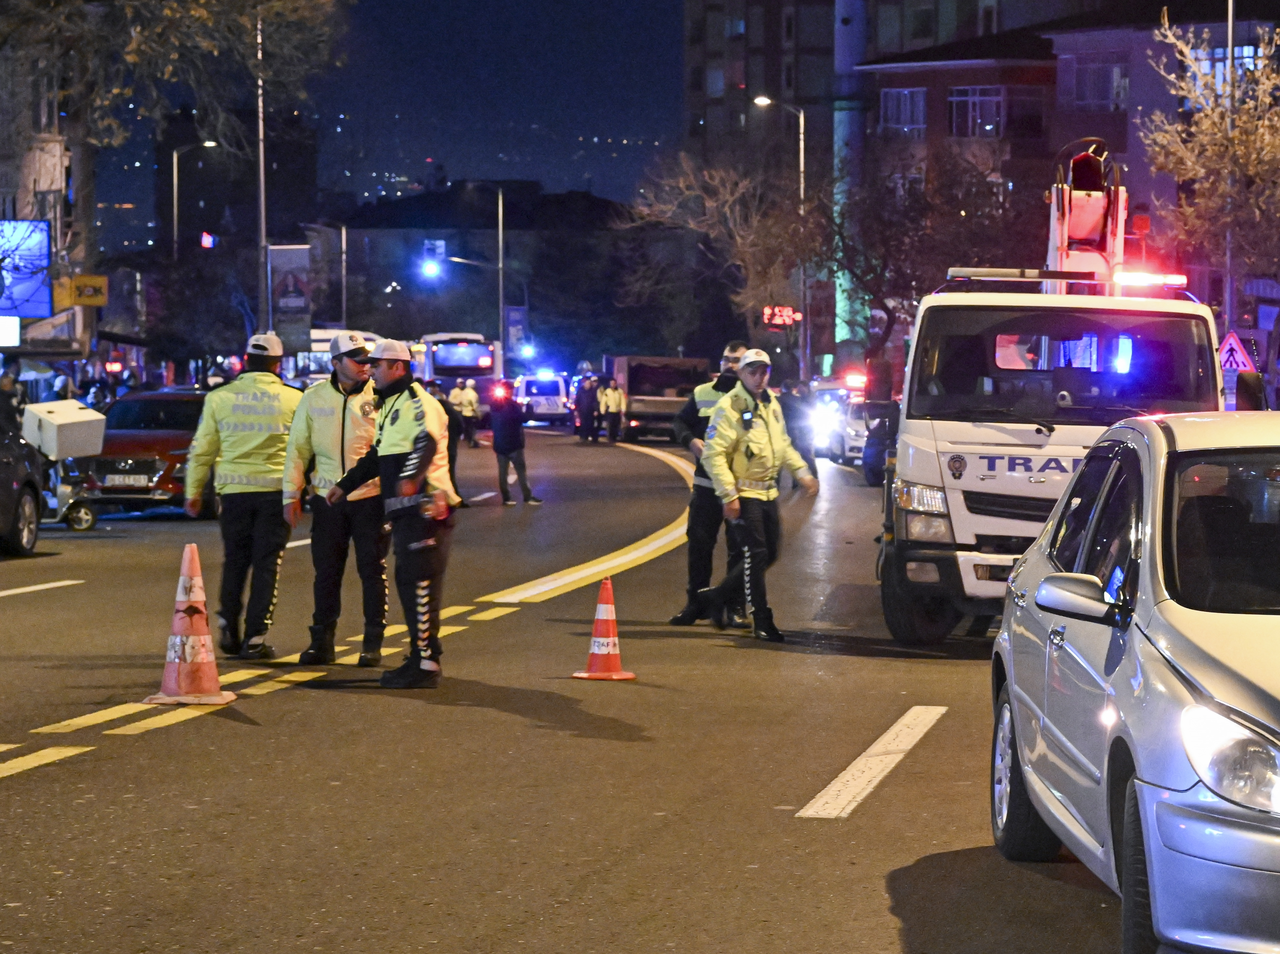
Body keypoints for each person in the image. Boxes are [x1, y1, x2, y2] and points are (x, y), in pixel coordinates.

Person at [327, 339, 461, 689]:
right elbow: (377, 456)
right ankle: (422, 654)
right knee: (410, 583)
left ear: (398, 367)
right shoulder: (390, 405)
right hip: (406, 511)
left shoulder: (419, 402)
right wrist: (346, 483)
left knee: (420, 584)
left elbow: (426, 442)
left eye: (378, 365)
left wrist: (410, 479)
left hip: (426, 508)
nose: (370, 370)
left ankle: (426, 663)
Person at [184, 333, 303, 659]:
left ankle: (227, 622)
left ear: (245, 360)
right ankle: (255, 637)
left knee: (235, 560)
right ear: (278, 364)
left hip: (233, 495)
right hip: (275, 495)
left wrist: (193, 491)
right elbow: (304, 451)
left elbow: (202, 449)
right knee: (267, 563)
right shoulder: (294, 400)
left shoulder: (219, 398)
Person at [282, 332, 388, 667]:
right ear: (336, 363)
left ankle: (372, 643)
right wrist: (291, 494)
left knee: (372, 570)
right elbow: (298, 449)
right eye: (357, 360)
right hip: (328, 500)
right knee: (326, 572)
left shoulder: (381, 397)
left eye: (368, 360)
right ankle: (322, 642)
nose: (365, 367)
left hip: (371, 496)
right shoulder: (313, 398)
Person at [698, 349, 819, 642]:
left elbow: (784, 444)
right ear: (740, 373)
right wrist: (729, 495)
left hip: (768, 491)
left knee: (771, 552)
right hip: (744, 491)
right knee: (757, 554)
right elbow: (713, 455)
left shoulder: (770, 404)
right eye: (752, 371)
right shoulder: (730, 407)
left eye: (763, 371)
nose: (759, 377)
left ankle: (717, 595)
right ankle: (762, 619)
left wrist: (802, 472)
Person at [669, 340, 749, 627]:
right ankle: (696, 604)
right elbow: (680, 422)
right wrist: (691, 441)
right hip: (706, 485)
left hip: (741, 488)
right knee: (699, 546)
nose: (730, 365)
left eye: (737, 360)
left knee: (740, 549)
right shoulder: (703, 393)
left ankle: (736, 606)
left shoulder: (754, 396)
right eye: (727, 359)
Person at [490, 380, 542, 506]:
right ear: (510, 391)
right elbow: (525, 418)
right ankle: (527, 496)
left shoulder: (493, 406)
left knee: (503, 472)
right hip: (514, 443)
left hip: (499, 443)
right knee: (521, 471)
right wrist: (529, 406)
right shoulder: (513, 406)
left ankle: (506, 498)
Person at [426, 379, 467, 507]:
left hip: (437, 447)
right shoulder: (448, 408)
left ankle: (443, 499)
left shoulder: (429, 409)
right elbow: (460, 425)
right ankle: (452, 499)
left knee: (435, 474)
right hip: (450, 446)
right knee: (449, 473)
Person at [777, 381, 818, 483]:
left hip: (783, 432)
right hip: (797, 432)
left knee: (779, 459)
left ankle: (776, 484)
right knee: (798, 456)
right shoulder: (798, 400)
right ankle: (799, 481)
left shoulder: (778, 400)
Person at [599, 378, 624, 443]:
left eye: (614, 383)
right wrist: (603, 409)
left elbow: (623, 401)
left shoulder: (619, 391)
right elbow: (603, 401)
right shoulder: (607, 391)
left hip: (617, 411)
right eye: (611, 383)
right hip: (610, 411)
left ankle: (615, 437)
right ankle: (610, 438)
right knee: (610, 425)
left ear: (616, 384)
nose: (612, 384)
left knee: (616, 425)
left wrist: (623, 409)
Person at [457, 378, 481, 447]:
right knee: (472, 429)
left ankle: (469, 441)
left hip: (464, 413)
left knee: (467, 429)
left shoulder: (463, 392)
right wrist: (479, 415)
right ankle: (473, 442)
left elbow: (460, 401)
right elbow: (475, 406)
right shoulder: (473, 394)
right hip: (471, 414)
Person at [575, 376, 599, 443]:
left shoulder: (592, 392)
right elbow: (577, 401)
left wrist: (596, 410)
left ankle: (588, 437)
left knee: (589, 424)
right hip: (582, 410)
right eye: (587, 384)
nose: (588, 385)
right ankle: (582, 437)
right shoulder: (580, 391)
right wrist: (576, 410)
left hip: (590, 411)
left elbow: (595, 401)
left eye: (589, 384)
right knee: (583, 424)